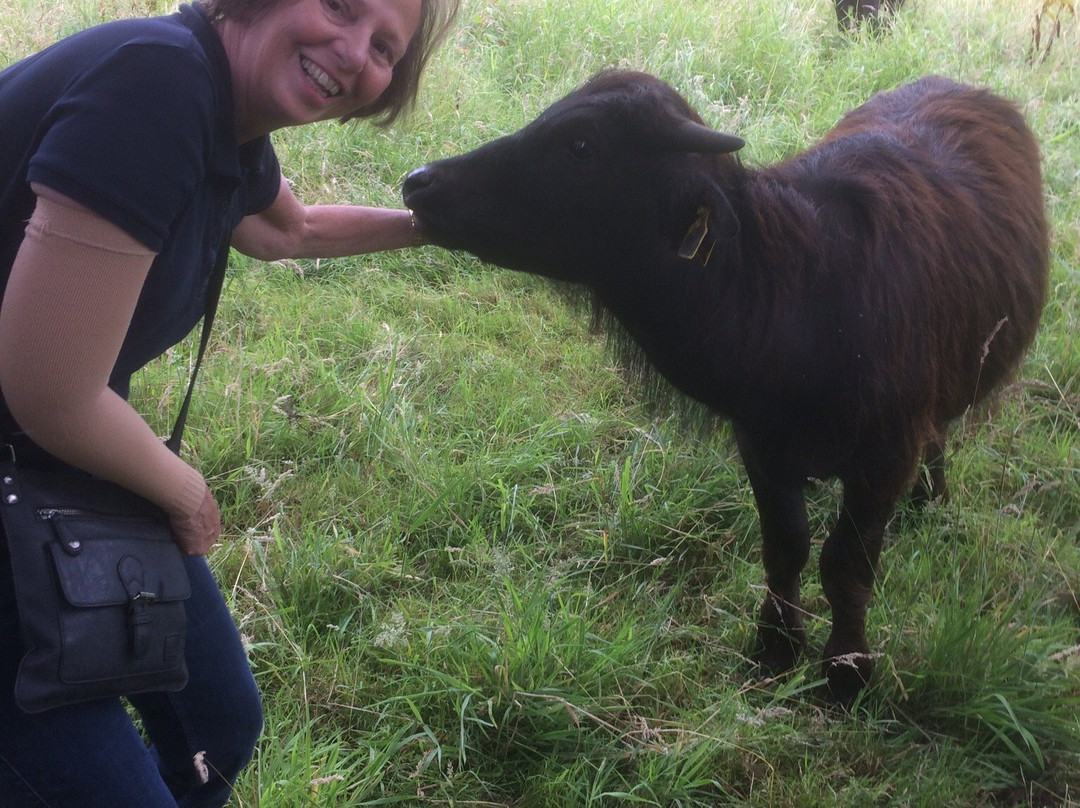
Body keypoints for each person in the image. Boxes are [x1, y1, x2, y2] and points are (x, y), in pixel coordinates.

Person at [0, 0, 458, 804]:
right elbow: (53, 393)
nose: (354, 54)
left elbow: (296, 230)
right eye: (343, 7)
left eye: (385, 47)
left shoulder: (224, 114)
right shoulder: (156, 84)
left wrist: (451, 227)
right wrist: (183, 490)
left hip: (51, 457)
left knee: (220, 720)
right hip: (47, 439)